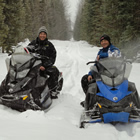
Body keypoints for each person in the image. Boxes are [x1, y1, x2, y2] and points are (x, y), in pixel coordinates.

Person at [81, 34, 121, 106]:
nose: (103, 42)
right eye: (102, 41)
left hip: (113, 74)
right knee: (85, 79)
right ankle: (89, 99)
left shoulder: (114, 49)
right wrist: (90, 74)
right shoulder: (100, 51)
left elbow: (115, 55)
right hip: (101, 73)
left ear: (109, 41)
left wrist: (102, 56)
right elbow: (96, 63)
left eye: (105, 40)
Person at [27, 26, 59, 99]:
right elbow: (27, 51)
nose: (42, 35)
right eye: (41, 33)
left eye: (44, 34)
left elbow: (53, 57)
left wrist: (44, 65)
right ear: (38, 34)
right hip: (33, 65)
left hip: (45, 66)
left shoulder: (49, 45)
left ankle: (52, 90)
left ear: (46, 35)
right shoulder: (33, 43)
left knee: (54, 71)